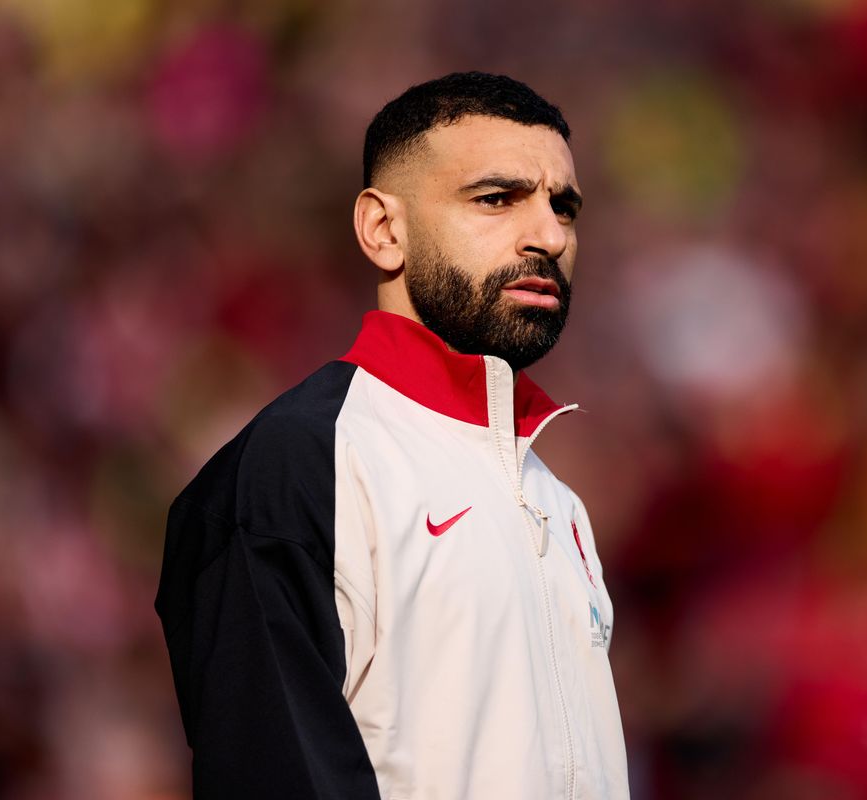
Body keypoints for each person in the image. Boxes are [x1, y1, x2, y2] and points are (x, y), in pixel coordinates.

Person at [155, 72, 629, 799]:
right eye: (497, 199)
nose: (548, 235)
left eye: (563, 206)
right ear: (383, 229)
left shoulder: (556, 502)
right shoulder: (300, 466)